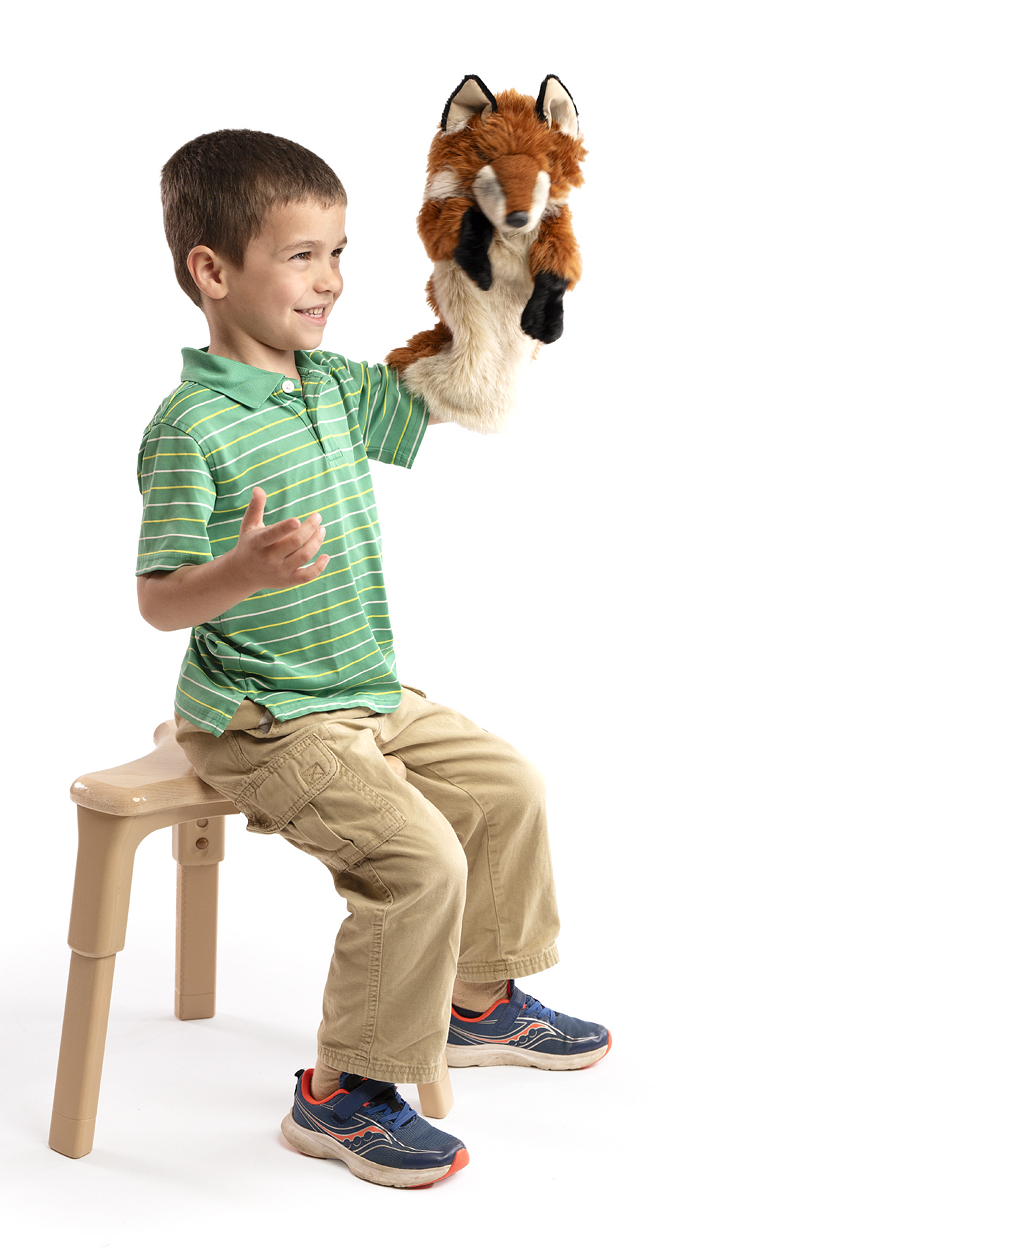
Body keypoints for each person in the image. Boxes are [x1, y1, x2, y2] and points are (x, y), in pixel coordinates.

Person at [134, 129, 609, 1189]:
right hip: (261, 717)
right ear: (212, 271)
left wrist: (500, 273)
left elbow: (457, 388)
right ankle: (342, 1089)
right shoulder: (192, 425)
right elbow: (160, 600)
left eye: (339, 253)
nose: (333, 280)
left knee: (507, 787)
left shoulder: (336, 387)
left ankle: (476, 999)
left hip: (363, 690)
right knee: (418, 861)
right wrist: (245, 571)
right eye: (303, 255)